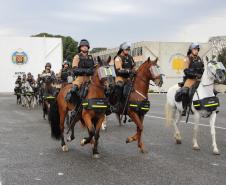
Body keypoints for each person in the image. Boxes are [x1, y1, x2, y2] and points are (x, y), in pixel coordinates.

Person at [65, 39, 95, 103]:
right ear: (80, 47)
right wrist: (85, 71)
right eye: (83, 46)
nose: (85, 47)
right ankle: (75, 108)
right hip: (80, 78)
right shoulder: (77, 56)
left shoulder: (91, 57)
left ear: (88, 47)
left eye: (86, 46)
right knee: (73, 90)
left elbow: (93, 68)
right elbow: (75, 70)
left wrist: (92, 70)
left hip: (90, 78)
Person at [178, 43, 204, 116]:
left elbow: (203, 68)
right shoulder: (187, 58)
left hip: (199, 79)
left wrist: (202, 73)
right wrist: (195, 74)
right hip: (190, 79)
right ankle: (185, 108)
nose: (196, 51)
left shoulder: (199, 58)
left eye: (197, 49)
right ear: (191, 50)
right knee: (185, 91)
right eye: (195, 49)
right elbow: (185, 71)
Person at [113, 42, 136, 111]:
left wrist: (133, 72)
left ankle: (134, 105)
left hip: (129, 78)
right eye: (126, 49)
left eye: (128, 50)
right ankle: (116, 105)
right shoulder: (118, 58)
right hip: (120, 77)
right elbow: (119, 70)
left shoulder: (130, 57)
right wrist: (129, 71)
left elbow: (133, 67)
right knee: (119, 87)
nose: (127, 51)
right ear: (122, 50)